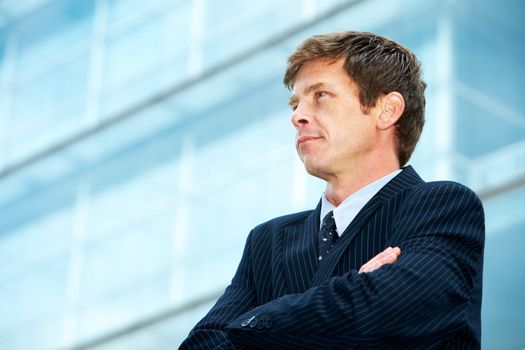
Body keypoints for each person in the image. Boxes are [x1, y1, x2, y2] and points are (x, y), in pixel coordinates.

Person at [179, 31, 485, 349]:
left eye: (321, 95)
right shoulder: (267, 242)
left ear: (387, 110)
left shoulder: (442, 207)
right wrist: (358, 290)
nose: (297, 116)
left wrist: (250, 325)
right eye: (295, 103)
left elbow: (384, 311)